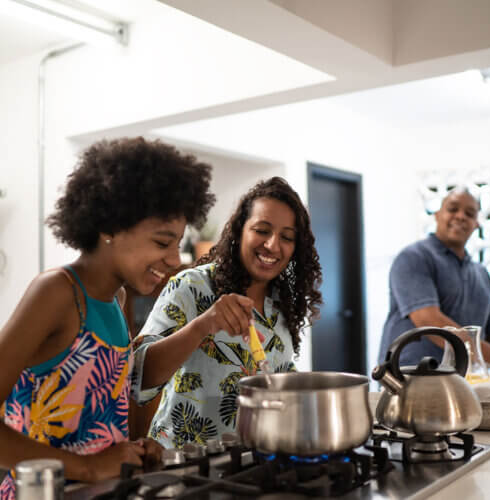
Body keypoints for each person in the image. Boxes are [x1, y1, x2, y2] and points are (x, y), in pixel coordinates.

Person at [0, 137, 217, 498]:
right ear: (109, 229)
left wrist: (137, 449)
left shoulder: (117, 299)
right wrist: (87, 467)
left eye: (177, 244)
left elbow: (99, 414)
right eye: (163, 243)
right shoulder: (56, 292)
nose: (176, 259)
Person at [131, 177, 323, 449]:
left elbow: (274, 374)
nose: (272, 245)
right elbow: (138, 377)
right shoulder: (192, 286)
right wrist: (203, 325)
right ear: (239, 231)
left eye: (287, 237)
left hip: (251, 464)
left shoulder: (283, 304)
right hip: (183, 465)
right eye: (262, 230)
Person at [378, 186, 490, 367]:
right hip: (410, 378)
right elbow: (429, 321)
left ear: (476, 224)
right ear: (437, 215)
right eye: (452, 209)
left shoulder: (481, 274)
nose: (460, 216)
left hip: (464, 380)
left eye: (469, 213)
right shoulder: (414, 257)